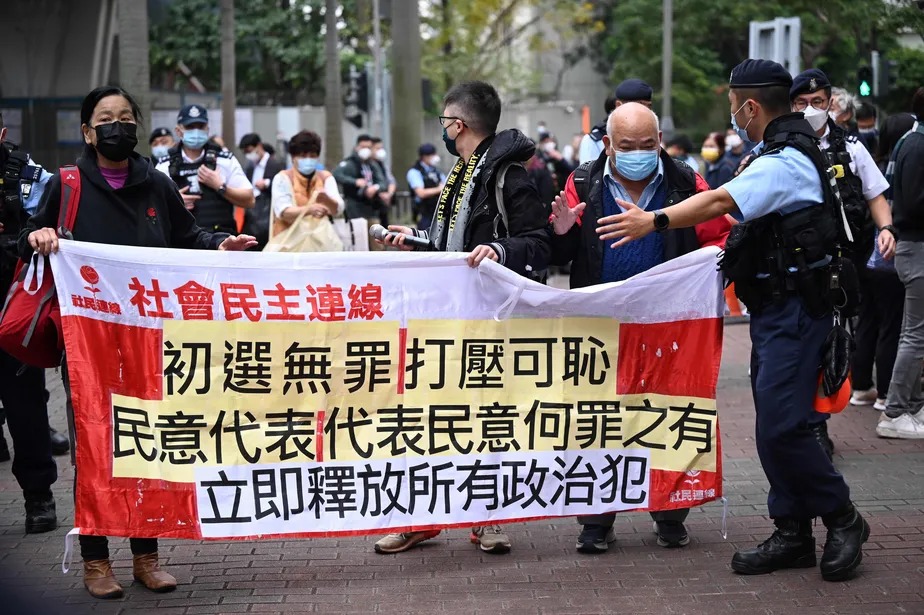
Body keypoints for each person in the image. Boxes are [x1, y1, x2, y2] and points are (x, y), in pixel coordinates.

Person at [604, 59, 871, 582]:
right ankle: (793, 531)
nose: (732, 115)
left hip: (797, 309)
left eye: (733, 106)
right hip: (776, 309)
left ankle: (843, 517)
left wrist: (653, 220)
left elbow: (724, 201)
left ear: (749, 106)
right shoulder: (774, 152)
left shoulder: (786, 159)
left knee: (784, 428)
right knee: (776, 426)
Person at [19, 86, 256, 599]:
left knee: (147, 445)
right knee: (96, 447)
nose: (117, 126)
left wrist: (222, 244)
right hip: (88, 344)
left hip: (149, 340)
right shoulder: (67, 184)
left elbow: (189, 237)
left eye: (126, 117)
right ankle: (96, 562)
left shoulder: (157, 184)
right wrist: (37, 237)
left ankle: (147, 556)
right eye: (106, 118)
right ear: (88, 131)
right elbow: (27, 233)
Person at [375, 81, 552, 554]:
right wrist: (411, 238)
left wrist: (498, 249)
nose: (446, 128)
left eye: (447, 120)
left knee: (485, 418)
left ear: (459, 124)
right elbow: (446, 242)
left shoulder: (507, 177)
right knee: (423, 418)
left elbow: (538, 243)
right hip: (442, 319)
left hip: (487, 321)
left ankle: (488, 520)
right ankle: (419, 517)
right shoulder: (461, 175)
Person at [549, 102, 730, 553]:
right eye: (626, 146)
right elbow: (561, 249)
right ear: (607, 144)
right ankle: (595, 519)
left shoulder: (687, 183)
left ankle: (669, 514)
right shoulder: (583, 182)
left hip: (668, 325)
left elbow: (720, 239)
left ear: (660, 141)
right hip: (599, 325)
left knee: (666, 415)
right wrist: (564, 232)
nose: (638, 153)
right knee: (594, 420)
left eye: (647, 145)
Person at [789, 68, 896, 458]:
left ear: (830, 104)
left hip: (837, 265)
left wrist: (886, 229)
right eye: (802, 103)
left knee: (830, 343)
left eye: (818, 103)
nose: (810, 110)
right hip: (792, 264)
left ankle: (818, 425)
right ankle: (796, 421)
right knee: (794, 346)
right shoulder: (779, 145)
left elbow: (876, 194)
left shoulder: (850, 146)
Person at [0, 111, 63, 535]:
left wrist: (39, 235)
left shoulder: (28, 173)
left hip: (13, 305)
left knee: (25, 404)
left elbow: (49, 223)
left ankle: (38, 495)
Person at [877, 87, 924, 439]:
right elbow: (913, 203)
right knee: (915, 335)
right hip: (917, 247)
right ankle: (894, 412)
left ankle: (910, 405)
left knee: (915, 334)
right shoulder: (918, 145)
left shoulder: (910, 142)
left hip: (912, 246)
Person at [155, 105, 255, 234]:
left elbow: (250, 201)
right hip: (182, 245)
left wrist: (220, 187)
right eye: (190, 127)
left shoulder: (224, 160)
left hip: (220, 243)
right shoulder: (164, 165)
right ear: (178, 131)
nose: (196, 131)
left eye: (200, 126)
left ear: (207, 129)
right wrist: (174, 203)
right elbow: (150, 208)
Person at [269, 130, 344, 243]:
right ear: (293, 156)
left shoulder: (325, 177)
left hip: (320, 243)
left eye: (312, 155)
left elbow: (338, 209)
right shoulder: (282, 178)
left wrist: (327, 200)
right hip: (288, 243)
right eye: (303, 156)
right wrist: (309, 210)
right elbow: (283, 212)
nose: (308, 159)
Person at [579, 79, 654, 163]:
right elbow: (589, 174)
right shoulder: (595, 141)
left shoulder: (654, 137)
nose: (645, 112)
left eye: (648, 107)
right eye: (639, 106)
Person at [333, 134, 388, 241]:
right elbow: (337, 175)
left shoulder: (372, 164)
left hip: (372, 207)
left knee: (377, 241)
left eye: (368, 147)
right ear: (357, 147)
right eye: (363, 147)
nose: (366, 150)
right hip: (355, 207)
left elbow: (382, 182)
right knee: (359, 239)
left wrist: (375, 188)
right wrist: (355, 182)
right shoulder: (349, 163)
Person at [239, 132, 284, 249]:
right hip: (252, 216)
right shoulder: (249, 167)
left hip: (269, 215)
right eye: (246, 153)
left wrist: (267, 183)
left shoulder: (275, 164)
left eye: (250, 151)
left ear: (259, 146)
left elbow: (283, 186)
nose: (249, 155)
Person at [406, 143, 445, 230]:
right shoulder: (415, 172)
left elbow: (446, 185)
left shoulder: (436, 171)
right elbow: (421, 193)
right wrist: (439, 189)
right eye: (432, 155)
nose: (435, 157)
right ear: (424, 157)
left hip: (437, 211)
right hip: (424, 212)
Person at [370, 137, 397, 226]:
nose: (380, 151)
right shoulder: (367, 165)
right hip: (372, 205)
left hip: (383, 204)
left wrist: (389, 194)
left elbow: (391, 181)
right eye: (377, 148)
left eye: (381, 148)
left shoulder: (382, 164)